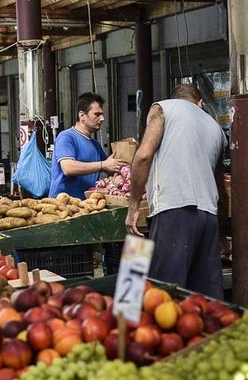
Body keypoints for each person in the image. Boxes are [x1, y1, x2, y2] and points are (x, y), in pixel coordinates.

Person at [126, 84, 228, 299]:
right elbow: (220, 188)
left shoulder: (162, 108)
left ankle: (135, 324)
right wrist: (221, 234)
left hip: (174, 212)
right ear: (200, 102)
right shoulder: (215, 127)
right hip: (208, 217)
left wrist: (133, 206)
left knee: (164, 296)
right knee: (205, 301)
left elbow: (143, 156)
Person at [49, 92, 127, 199]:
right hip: (62, 205)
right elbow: (68, 168)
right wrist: (102, 165)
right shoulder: (66, 137)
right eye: (97, 114)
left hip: (86, 206)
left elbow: (109, 167)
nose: (102, 119)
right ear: (82, 116)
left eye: (102, 114)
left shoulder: (95, 145)